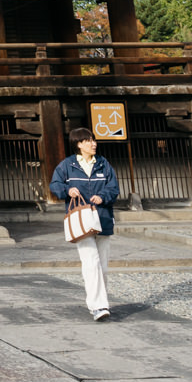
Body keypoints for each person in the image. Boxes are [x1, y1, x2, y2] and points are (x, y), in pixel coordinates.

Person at [50, 127, 121, 320]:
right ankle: (99, 306)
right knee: (91, 262)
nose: (93, 143)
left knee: (103, 266)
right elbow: (54, 185)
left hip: (103, 217)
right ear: (79, 144)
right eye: (88, 140)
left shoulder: (103, 164)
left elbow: (114, 188)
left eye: (93, 140)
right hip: (81, 221)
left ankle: (100, 302)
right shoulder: (67, 165)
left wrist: (103, 196)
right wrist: (67, 190)